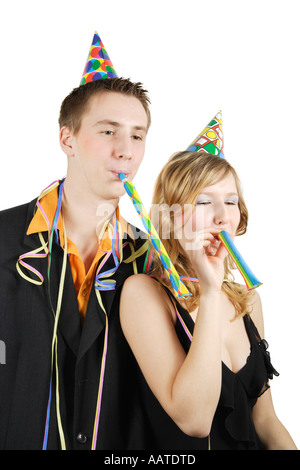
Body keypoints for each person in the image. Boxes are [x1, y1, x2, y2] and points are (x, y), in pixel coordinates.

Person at [0, 33, 152, 449]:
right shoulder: (3, 238)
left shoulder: (149, 259)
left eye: (137, 136)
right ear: (67, 139)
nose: (126, 151)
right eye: (109, 131)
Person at [120, 150, 297, 450]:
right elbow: (195, 421)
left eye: (231, 201)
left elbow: (265, 421)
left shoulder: (248, 301)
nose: (222, 216)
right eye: (203, 202)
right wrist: (211, 290)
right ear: (170, 217)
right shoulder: (144, 294)